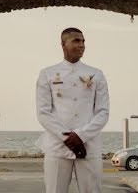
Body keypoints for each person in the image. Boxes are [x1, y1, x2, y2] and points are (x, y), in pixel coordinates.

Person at [36, 27, 109, 193]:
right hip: (57, 146)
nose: (82, 45)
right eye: (76, 41)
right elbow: (43, 112)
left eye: (83, 41)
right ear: (63, 44)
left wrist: (81, 136)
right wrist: (68, 138)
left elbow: (103, 112)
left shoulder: (96, 74)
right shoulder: (47, 74)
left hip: (88, 146)